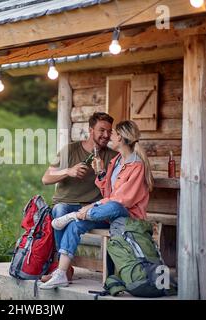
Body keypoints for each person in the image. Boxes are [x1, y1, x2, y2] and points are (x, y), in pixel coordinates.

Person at [39, 120, 154, 289]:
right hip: (107, 214)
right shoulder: (116, 161)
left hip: (127, 217)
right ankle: (61, 272)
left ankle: (73, 215)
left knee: (113, 207)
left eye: (113, 133)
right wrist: (100, 173)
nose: (110, 137)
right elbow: (108, 192)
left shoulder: (136, 165)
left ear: (121, 138)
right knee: (76, 225)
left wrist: (90, 207)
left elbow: (123, 200)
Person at [41, 112, 118, 281]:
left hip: (92, 208)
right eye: (101, 130)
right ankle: (65, 270)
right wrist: (68, 171)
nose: (106, 135)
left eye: (109, 131)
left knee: (70, 220)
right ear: (91, 130)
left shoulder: (112, 156)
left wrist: (102, 172)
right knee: (60, 210)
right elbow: (46, 178)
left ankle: (61, 270)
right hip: (67, 204)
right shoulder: (70, 150)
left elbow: (114, 192)